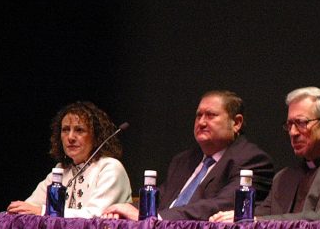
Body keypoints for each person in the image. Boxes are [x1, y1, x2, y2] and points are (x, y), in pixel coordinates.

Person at [104, 90, 274, 221]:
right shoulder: (184, 160)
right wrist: (123, 210)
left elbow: (221, 206)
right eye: (199, 115)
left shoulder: (252, 160)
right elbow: (161, 198)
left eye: (211, 115)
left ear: (236, 123)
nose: (201, 122)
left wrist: (155, 218)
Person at [210, 87, 320, 222]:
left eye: (301, 123)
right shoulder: (283, 178)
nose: (293, 133)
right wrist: (238, 217)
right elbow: (260, 214)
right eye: (289, 124)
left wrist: (255, 220)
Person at [8, 101, 132, 218]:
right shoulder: (61, 170)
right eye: (66, 130)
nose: (70, 137)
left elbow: (94, 215)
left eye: (79, 130)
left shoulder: (110, 168)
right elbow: (30, 206)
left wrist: (42, 211)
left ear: (96, 137)